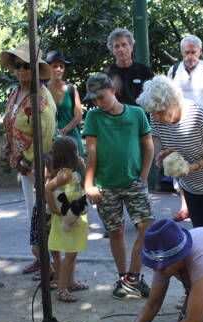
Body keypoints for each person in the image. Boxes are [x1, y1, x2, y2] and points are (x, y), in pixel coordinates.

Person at [83, 72, 155, 299]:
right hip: (106, 185)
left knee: (147, 227)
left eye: (101, 97)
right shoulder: (94, 117)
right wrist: (89, 183)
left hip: (134, 181)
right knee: (116, 231)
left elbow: (148, 145)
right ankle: (123, 277)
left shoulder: (136, 113)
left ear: (113, 90)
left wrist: (143, 175)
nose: (97, 103)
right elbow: (91, 153)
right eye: (94, 99)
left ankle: (134, 276)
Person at [138, 76, 203, 232]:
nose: (155, 118)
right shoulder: (156, 118)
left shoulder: (198, 115)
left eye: (159, 112)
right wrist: (165, 156)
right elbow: (171, 147)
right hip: (190, 185)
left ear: (172, 103)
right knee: (199, 233)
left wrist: (194, 166)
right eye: (152, 113)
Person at [1, 43, 57, 277]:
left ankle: (53, 265)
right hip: (23, 165)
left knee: (44, 215)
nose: (21, 70)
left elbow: (44, 136)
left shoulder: (41, 98)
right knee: (32, 213)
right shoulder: (16, 93)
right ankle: (41, 257)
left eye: (25, 65)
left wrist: (33, 165)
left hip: (36, 167)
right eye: (17, 65)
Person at [45, 136, 88, 302]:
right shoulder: (64, 174)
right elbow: (48, 188)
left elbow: (83, 187)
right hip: (67, 220)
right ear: (70, 155)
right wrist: (54, 210)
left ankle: (71, 282)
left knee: (73, 254)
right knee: (69, 256)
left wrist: (83, 168)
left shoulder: (73, 173)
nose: (79, 154)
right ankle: (62, 289)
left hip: (75, 219)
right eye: (76, 151)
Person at [45, 50, 85, 157]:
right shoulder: (42, 90)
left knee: (74, 170)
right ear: (48, 68)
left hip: (71, 137)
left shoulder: (71, 89)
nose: (59, 69)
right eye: (55, 66)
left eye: (61, 66)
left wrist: (65, 130)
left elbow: (78, 116)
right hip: (49, 139)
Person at [104, 28, 154, 107]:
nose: (121, 49)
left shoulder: (144, 71)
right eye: (117, 46)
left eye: (124, 45)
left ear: (131, 47)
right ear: (112, 50)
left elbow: (153, 97)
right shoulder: (107, 74)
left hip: (141, 116)